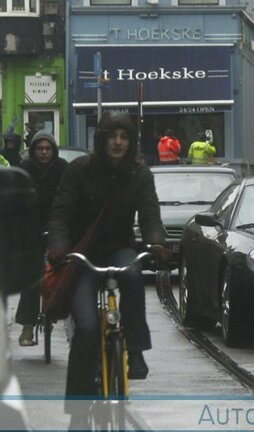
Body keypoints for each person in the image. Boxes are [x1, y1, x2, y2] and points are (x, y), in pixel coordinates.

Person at [46, 111, 171, 426]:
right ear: (101, 139)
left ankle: (137, 349)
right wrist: (59, 246)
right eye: (112, 136)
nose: (118, 142)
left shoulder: (139, 174)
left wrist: (156, 243)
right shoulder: (78, 171)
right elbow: (60, 212)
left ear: (131, 142)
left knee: (131, 273)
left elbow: (150, 215)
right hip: (81, 254)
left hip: (119, 246)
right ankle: (77, 413)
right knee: (87, 329)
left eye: (124, 137)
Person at [15, 130, 68, 346]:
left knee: (63, 271)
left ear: (53, 150)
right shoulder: (23, 169)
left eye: (48, 148)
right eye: (40, 148)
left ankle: (58, 312)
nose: (44, 152)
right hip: (31, 227)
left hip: (58, 225)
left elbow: (70, 196)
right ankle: (27, 326)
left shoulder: (63, 168)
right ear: (33, 150)